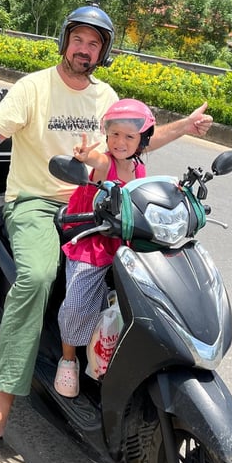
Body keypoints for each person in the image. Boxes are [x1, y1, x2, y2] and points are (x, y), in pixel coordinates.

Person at [0, 5, 213, 448]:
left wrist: (186, 126)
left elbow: (136, 139)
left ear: (103, 51)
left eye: (95, 43)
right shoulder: (34, 88)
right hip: (36, 202)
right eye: (79, 39)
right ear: (65, 40)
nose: (85, 49)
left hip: (94, 205)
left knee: (145, 267)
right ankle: (0, 406)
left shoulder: (105, 96)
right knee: (36, 278)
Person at [54, 98, 155, 397]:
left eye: (129, 136)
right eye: (114, 134)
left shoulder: (138, 170)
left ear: (142, 140)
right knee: (77, 298)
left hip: (123, 240)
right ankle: (68, 359)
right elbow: (96, 161)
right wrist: (86, 156)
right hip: (92, 237)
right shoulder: (104, 162)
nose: (120, 142)